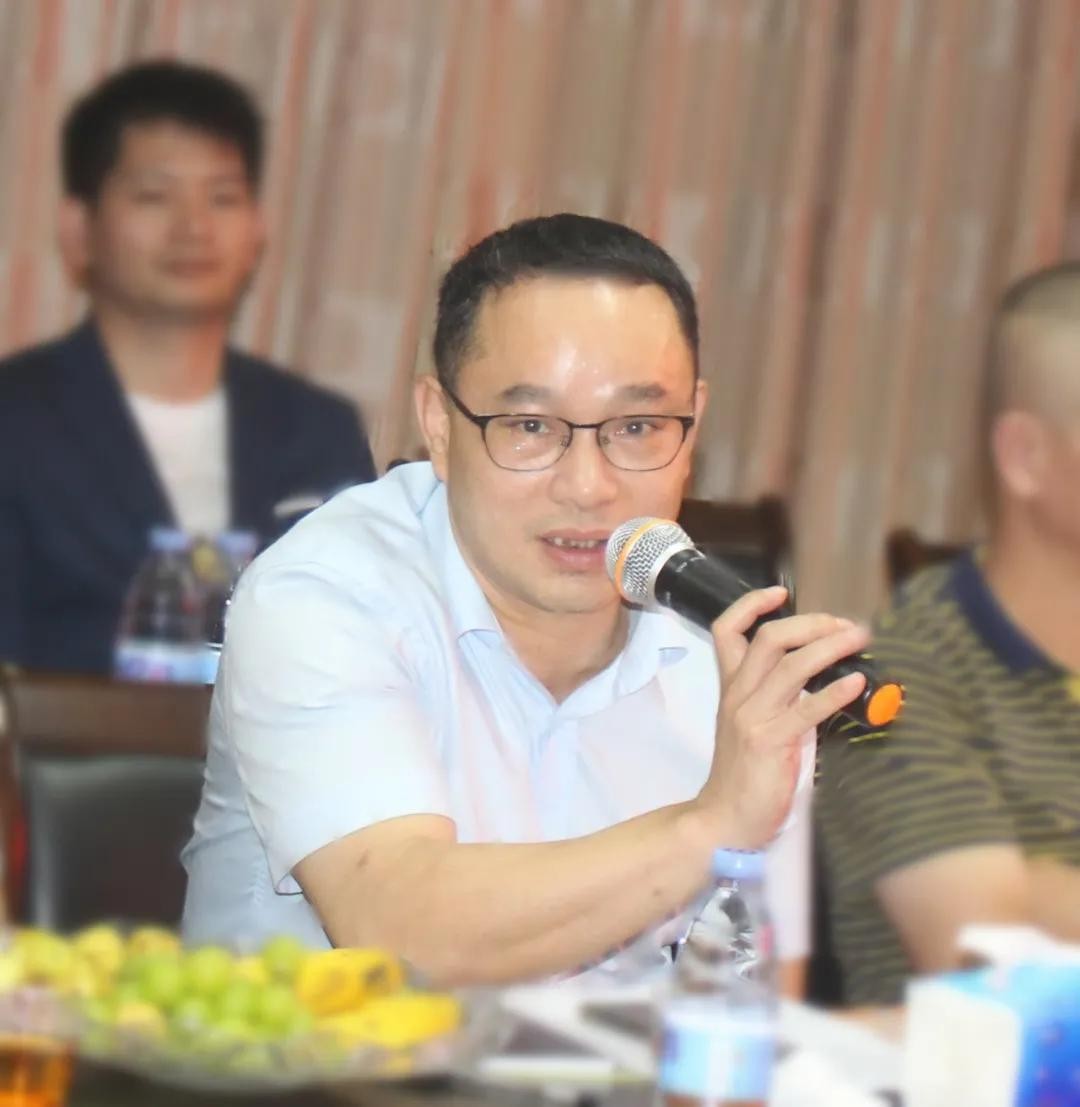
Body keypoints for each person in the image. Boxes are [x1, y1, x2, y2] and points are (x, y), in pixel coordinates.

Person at [182, 213, 870, 988]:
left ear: (692, 429)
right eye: (531, 425)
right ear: (439, 425)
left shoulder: (733, 660)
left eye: (638, 426)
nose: (588, 486)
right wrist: (709, 825)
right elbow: (396, 928)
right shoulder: (322, 595)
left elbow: (748, 1006)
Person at [0, 60, 375, 675]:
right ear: (79, 228)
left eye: (222, 198)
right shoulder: (14, 421)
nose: (194, 228)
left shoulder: (320, 431)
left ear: (256, 231)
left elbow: (358, 649)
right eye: (155, 196)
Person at [817, 263, 1080, 1006]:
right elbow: (983, 948)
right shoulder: (894, 677)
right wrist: (1019, 898)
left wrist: (1043, 888)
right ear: (1026, 457)